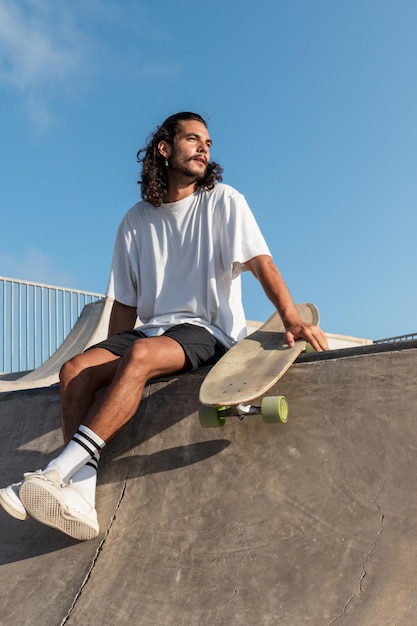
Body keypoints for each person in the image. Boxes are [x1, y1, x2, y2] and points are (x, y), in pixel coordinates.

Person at [0, 112, 328, 540]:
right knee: (74, 371)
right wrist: (101, 362)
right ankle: (80, 492)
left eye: (208, 143)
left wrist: (291, 317)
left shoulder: (224, 201)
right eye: (193, 139)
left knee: (140, 355)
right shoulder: (135, 221)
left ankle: (53, 471)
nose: (204, 148)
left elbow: (260, 262)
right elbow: (126, 306)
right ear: (164, 148)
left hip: (208, 332)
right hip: (152, 331)